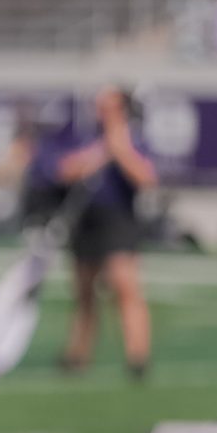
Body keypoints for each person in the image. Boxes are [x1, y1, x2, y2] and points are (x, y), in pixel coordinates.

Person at [52, 86, 158, 380]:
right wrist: (97, 154)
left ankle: (138, 355)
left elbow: (145, 176)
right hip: (87, 218)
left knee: (125, 287)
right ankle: (78, 355)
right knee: (84, 292)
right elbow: (64, 169)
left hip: (117, 217)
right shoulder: (87, 137)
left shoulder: (132, 138)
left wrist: (117, 147)